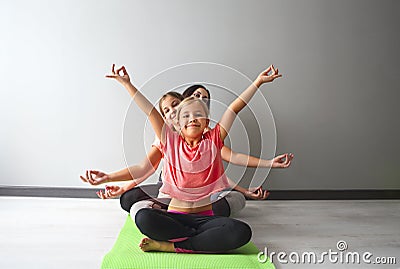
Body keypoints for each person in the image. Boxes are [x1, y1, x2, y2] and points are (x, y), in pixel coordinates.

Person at [100, 63, 281, 253]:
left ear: (206, 122)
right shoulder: (170, 141)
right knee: (144, 217)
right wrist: (127, 84)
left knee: (241, 231)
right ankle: (198, 242)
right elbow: (150, 111)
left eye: (198, 115)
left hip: (206, 219)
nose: (193, 118)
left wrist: (258, 82)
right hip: (176, 217)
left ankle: (173, 245)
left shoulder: (214, 139)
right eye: (186, 115)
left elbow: (234, 108)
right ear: (178, 122)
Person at [81, 90, 293, 216]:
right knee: (129, 200)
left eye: (176, 105)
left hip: (203, 193)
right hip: (168, 189)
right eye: (167, 109)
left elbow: (226, 164)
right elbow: (144, 169)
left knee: (234, 200)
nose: (172, 111)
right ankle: (170, 212)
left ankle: (185, 215)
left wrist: (250, 184)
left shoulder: (209, 136)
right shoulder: (165, 137)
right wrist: (116, 183)